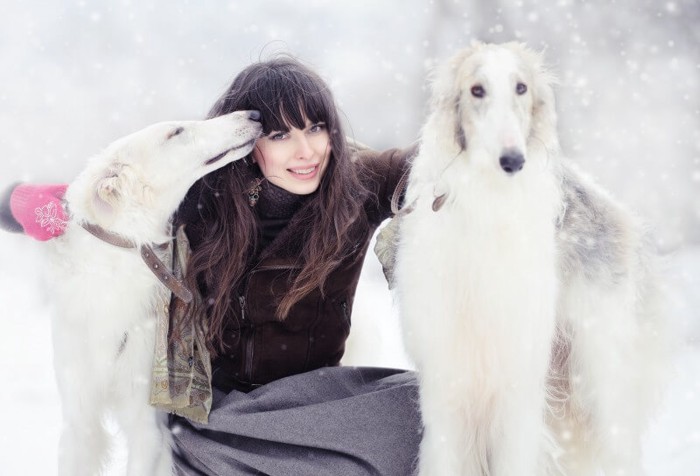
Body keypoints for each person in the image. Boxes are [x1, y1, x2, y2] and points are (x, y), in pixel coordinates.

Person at [0, 56, 420, 475]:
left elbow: (431, 165)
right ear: (253, 142)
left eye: (316, 128)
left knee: (425, 409)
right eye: (280, 135)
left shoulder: (357, 183)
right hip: (221, 415)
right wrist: (42, 203)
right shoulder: (206, 199)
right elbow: (128, 195)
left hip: (313, 404)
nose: (306, 151)